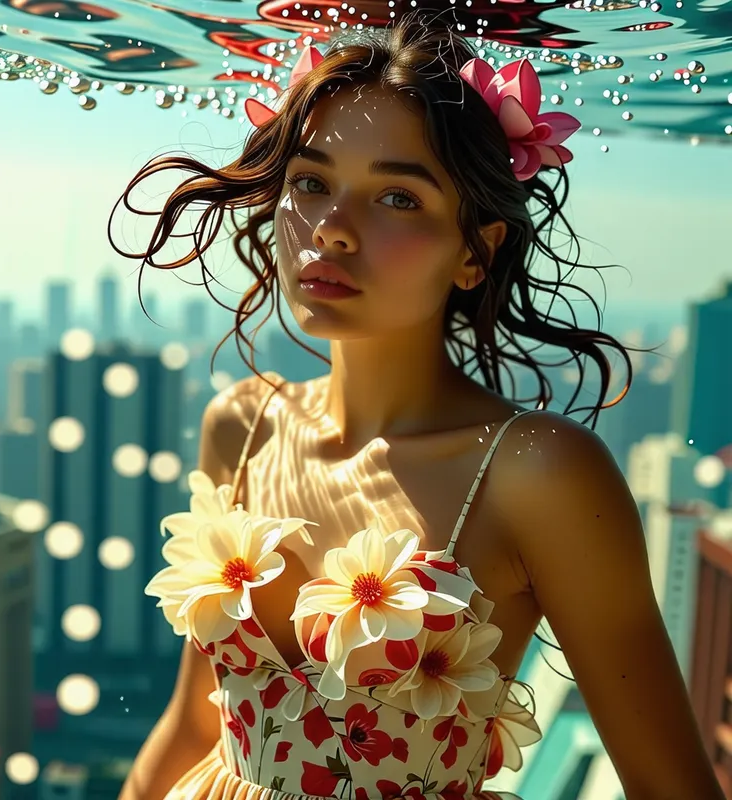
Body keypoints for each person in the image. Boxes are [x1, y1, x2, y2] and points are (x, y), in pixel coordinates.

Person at [111, 14, 724, 800]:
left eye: (397, 197)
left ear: (476, 250)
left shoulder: (538, 473)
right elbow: (195, 726)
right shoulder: (242, 424)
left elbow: (671, 787)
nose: (332, 231)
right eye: (310, 182)